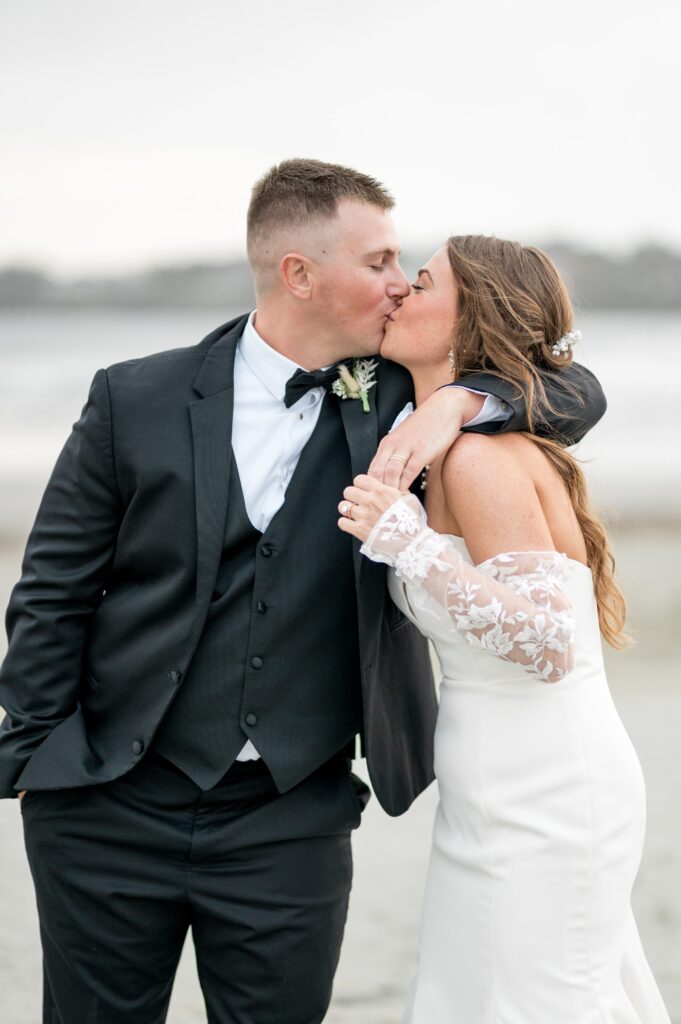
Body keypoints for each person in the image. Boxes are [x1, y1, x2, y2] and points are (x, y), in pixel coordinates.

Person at [0, 162, 605, 1024]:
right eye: (379, 262)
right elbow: (52, 591)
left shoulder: (401, 392)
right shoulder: (134, 396)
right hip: (107, 807)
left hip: (290, 817)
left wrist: (461, 405)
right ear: (299, 274)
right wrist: (34, 756)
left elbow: (572, 389)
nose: (400, 286)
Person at [340, 235, 670, 1022]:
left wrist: (406, 542)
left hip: (544, 787)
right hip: (491, 787)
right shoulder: (441, 439)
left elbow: (551, 643)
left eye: (420, 284)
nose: (398, 294)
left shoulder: (477, 461)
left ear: (467, 320)